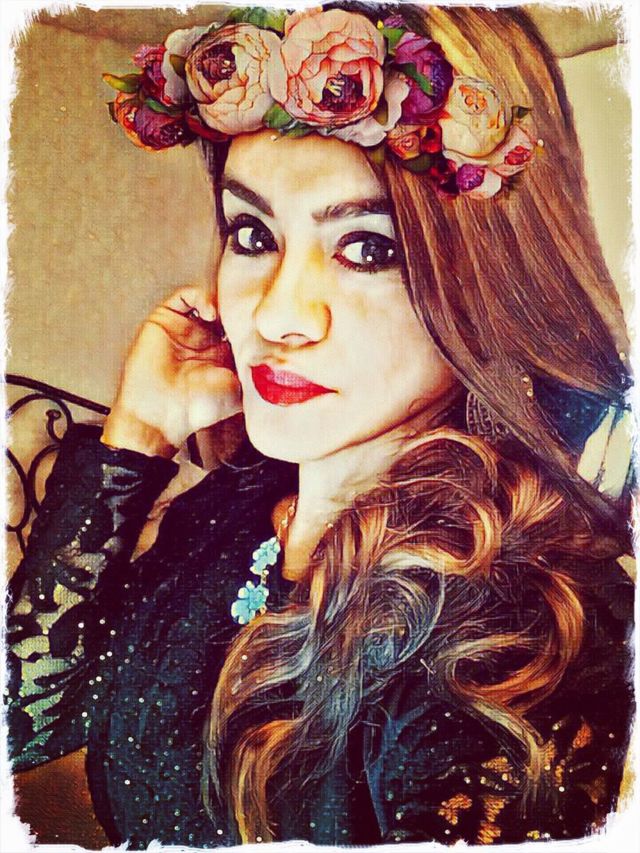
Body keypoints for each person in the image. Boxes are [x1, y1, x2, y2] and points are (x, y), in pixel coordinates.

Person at [6, 2, 635, 848]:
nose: (275, 315)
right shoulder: (230, 509)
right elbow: (23, 722)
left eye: (369, 248)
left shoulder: (514, 632)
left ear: (492, 284)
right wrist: (136, 435)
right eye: (252, 233)